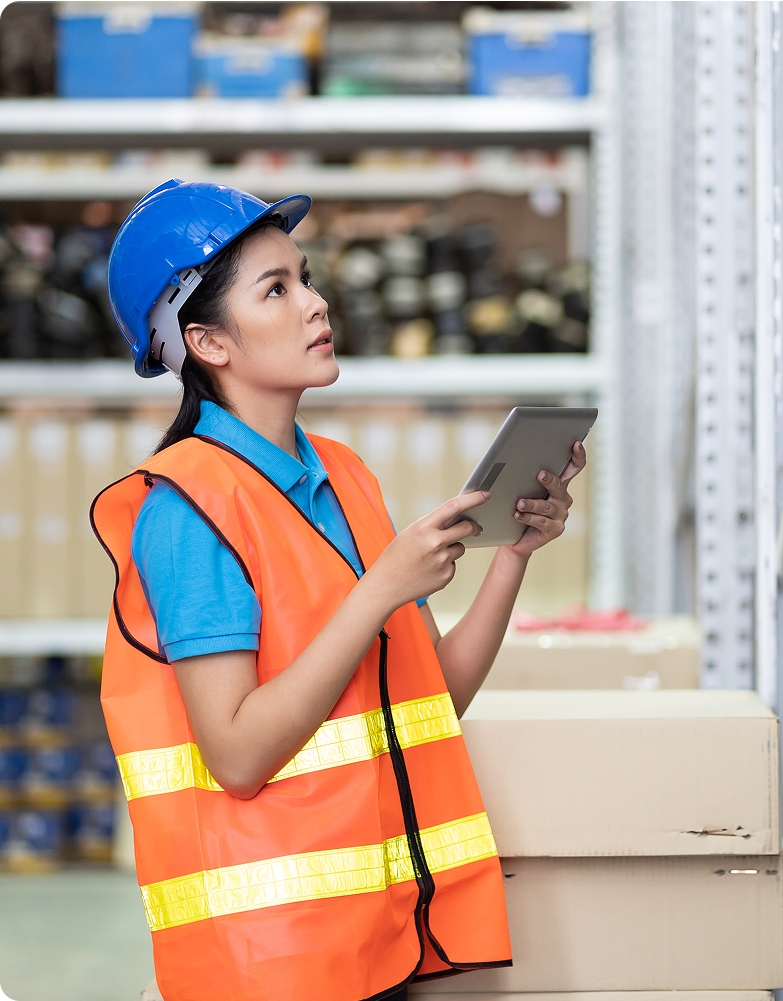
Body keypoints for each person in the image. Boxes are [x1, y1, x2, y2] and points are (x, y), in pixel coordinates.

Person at [92, 180, 586, 1001]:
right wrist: (378, 592)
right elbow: (239, 754)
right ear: (207, 340)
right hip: (269, 962)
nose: (316, 305)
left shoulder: (344, 477)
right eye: (277, 289)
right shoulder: (187, 511)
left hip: (376, 940)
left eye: (307, 278)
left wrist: (513, 554)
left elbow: (430, 698)